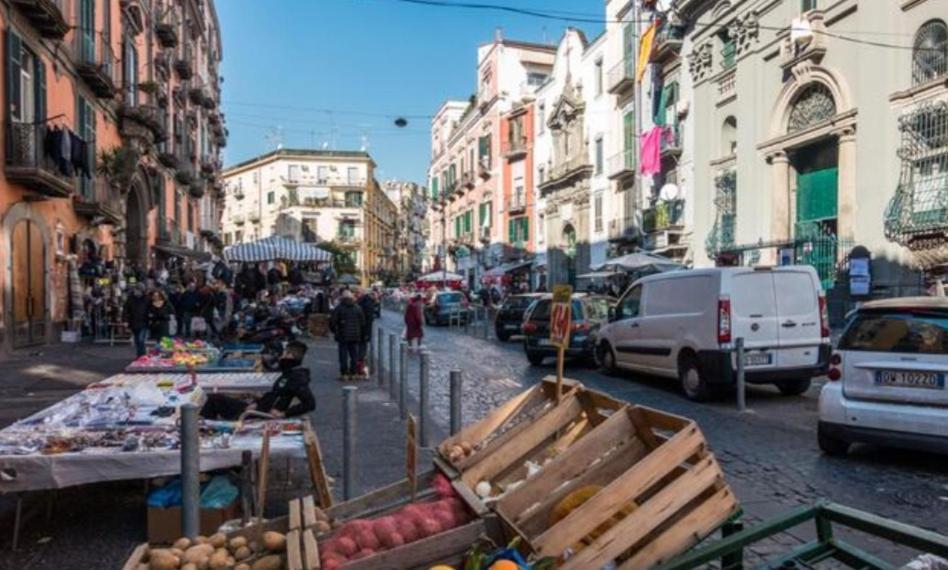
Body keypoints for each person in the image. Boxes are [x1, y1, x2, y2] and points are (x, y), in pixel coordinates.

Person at [201, 341, 315, 420]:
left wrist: (283, 414)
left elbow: (310, 403)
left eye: (284, 353)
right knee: (215, 398)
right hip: (257, 407)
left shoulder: (296, 378)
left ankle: (202, 431)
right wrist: (257, 400)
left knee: (214, 400)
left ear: (290, 355)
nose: (281, 357)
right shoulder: (289, 373)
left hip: (259, 414)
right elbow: (275, 395)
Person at [330, 290, 365, 380]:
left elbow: (333, 322)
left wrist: (334, 331)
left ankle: (344, 373)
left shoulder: (339, 308)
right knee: (354, 354)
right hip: (356, 335)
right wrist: (361, 333)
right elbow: (362, 322)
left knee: (343, 355)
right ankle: (353, 372)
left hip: (343, 335)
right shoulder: (358, 308)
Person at [124, 284, 150, 357]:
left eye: (138, 290)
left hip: (144, 322)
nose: (136, 291)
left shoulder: (146, 299)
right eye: (135, 290)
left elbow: (150, 308)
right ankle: (140, 354)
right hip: (134, 322)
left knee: (141, 339)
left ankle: (142, 355)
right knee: (137, 340)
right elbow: (125, 310)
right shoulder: (130, 299)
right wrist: (125, 320)